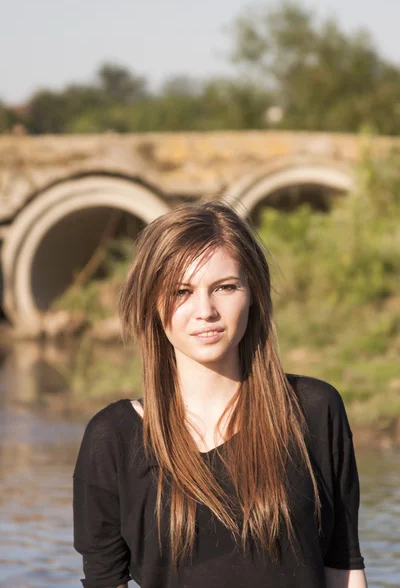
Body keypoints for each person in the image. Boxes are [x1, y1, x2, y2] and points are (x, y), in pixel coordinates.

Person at [73, 200, 367, 588]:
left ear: (253, 294)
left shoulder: (314, 410)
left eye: (225, 287)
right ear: (151, 303)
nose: (205, 310)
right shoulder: (113, 438)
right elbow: (104, 581)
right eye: (182, 291)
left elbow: (343, 567)